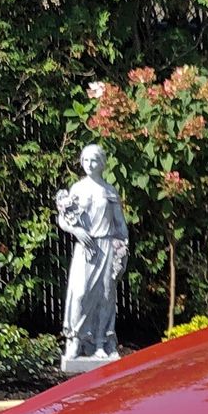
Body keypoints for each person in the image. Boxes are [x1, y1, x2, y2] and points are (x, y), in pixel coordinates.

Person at [57, 143, 129, 364]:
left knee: (106, 296)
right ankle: (76, 340)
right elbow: (63, 219)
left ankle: (101, 342)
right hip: (86, 248)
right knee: (80, 294)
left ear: (102, 163)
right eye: (86, 160)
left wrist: (123, 247)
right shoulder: (77, 189)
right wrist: (76, 231)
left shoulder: (109, 191)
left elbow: (120, 224)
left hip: (107, 247)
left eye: (94, 160)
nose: (89, 165)